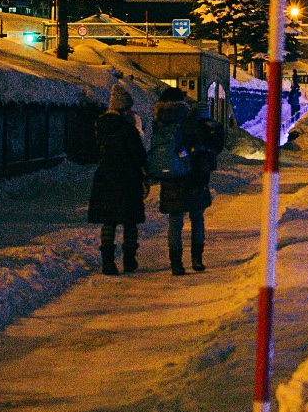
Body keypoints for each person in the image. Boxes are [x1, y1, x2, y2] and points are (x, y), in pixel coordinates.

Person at [153, 86, 219, 274]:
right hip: (193, 177)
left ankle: (176, 263)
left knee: (175, 221)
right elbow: (202, 146)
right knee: (197, 218)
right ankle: (196, 260)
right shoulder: (189, 120)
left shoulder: (160, 121)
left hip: (171, 176)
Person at [88, 82, 148, 274]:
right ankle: (129, 259)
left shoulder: (100, 127)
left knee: (109, 220)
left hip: (104, 179)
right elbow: (139, 156)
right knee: (129, 221)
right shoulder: (128, 130)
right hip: (127, 180)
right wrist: (145, 175)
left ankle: (107, 261)